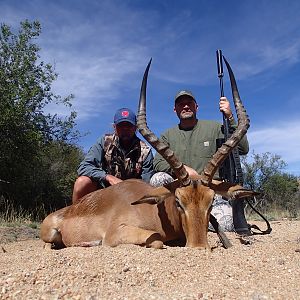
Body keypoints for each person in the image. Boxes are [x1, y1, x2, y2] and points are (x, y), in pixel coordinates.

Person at [150, 90, 250, 234]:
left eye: (189, 103)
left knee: (226, 224)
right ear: (175, 109)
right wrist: (184, 170)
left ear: (196, 107)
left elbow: (242, 148)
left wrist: (230, 117)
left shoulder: (215, 128)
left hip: (208, 193)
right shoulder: (167, 135)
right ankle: (174, 221)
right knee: (157, 178)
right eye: (181, 104)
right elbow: (158, 163)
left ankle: (193, 223)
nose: (185, 107)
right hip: (181, 194)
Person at [72, 107, 154, 203]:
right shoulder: (104, 141)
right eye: (121, 126)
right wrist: (108, 177)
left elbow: (146, 183)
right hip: (104, 192)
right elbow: (84, 167)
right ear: (114, 127)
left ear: (135, 128)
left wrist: (128, 189)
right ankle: (76, 216)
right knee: (82, 182)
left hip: (132, 196)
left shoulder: (145, 151)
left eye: (129, 126)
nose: (125, 129)